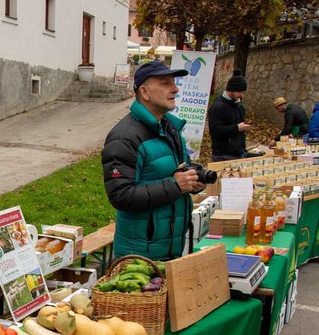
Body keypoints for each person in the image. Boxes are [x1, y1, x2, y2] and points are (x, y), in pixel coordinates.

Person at [102, 61, 205, 261]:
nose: (175, 89)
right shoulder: (125, 137)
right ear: (145, 92)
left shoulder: (171, 129)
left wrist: (192, 182)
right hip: (139, 259)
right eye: (165, 83)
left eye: (174, 83)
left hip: (170, 250)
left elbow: (176, 174)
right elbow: (121, 196)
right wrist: (176, 185)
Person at [208, 69, 251, 161]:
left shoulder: (239, 105)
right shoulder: (218, 107)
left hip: (238, 153)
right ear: (231, 90)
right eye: (240, 92)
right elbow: (215, 131)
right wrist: (237, 128)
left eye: (243, 92)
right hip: (223, 155)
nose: (242, 95)